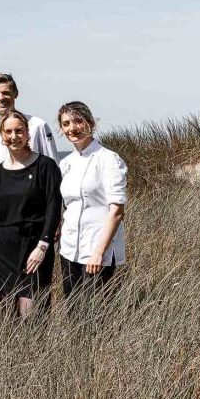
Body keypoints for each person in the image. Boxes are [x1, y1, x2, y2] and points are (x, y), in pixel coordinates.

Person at [0, 111, 62, 317]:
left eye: (19, 131)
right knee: (7, 315)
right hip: (2, 251)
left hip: (34, 248)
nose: (14, 136)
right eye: (8, 132)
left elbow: (53, 208)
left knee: (32, 313)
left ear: (27, 133)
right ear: (2, 136)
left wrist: (43, 246)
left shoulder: (46, 166)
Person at [0, 73, 58, 240]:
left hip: (35, 220)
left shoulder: (38, 126)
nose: (1, 98)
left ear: (15, 94)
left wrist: (55, 221)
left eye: (6, 93)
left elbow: (54, 177)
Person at [57, 101, 127, 297]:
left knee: (95, 309)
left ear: (91, 123)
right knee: (73, 308)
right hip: (69, 249)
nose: (72, 128)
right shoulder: (66, 163)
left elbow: (117, 211)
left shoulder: (109, 159)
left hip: (97, 251)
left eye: (78, 121)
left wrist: (98, 252)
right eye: (66, 124)